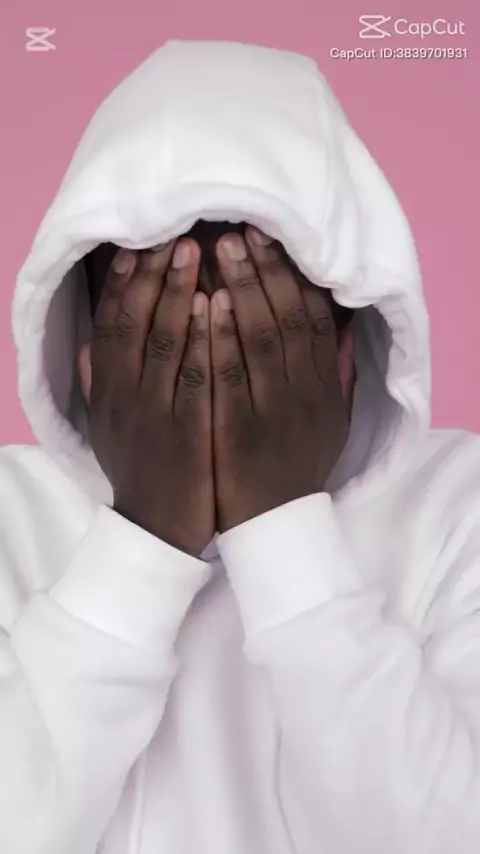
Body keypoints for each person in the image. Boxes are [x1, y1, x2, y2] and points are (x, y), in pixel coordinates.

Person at [1, 36, 479, 854]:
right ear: (89, 364)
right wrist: (142, 537)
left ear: (343, 363)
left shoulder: (459, 507)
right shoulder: (11, 513)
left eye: (264, 348)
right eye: (165, 347)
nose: (211, 383)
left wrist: (284, 524)